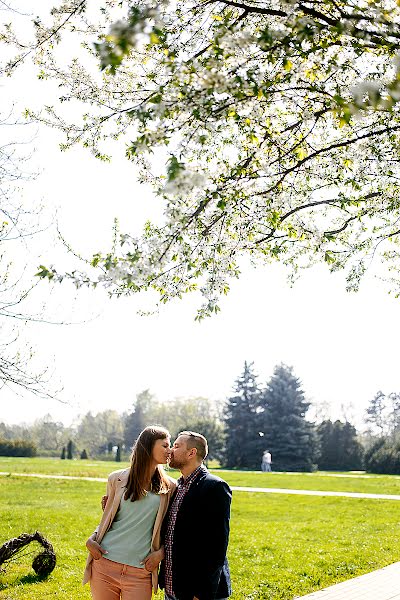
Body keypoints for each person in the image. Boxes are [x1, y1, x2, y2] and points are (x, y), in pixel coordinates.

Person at [83, 425, 176, 600]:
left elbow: (171, 529)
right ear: (148, 446)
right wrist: (92, 539)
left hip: (140, 571)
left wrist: (161, 553)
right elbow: (108, 520)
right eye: (165, 445)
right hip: (105, 564)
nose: (169, 450)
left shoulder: (170, 487)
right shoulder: (116, 479)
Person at [159, 431, 232, 600]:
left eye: (176, 446)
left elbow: (217, 545)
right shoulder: (176, 486)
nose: (170, 450)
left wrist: (201, 593)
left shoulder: (215, 487)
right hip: (173, 589)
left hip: (199, 593)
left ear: (191, 453)